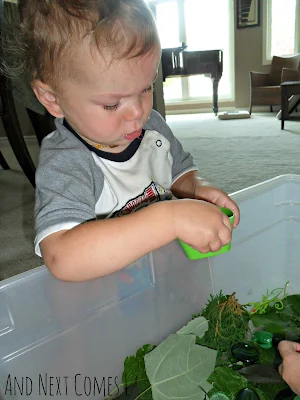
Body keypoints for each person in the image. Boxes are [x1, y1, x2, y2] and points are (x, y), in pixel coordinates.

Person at [13, 0, 240, 282]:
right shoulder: (67, 161)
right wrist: (168, 219)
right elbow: (62, 257)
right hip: (107, 294)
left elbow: (180, 171)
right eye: (111, 104)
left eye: (146, 88)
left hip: (164, 272)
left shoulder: (153, 125)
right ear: (52, 99)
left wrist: (198, 189)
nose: (138, 112)